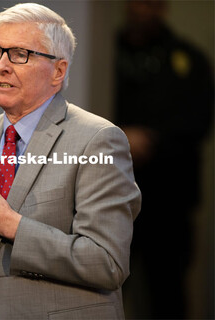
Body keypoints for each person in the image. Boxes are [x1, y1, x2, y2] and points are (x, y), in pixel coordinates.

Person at [0, 3, 141, 319]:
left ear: (58, 71)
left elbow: (107, 263)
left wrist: (11, 225)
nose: (1, 65)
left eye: (19, 54)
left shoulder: (99, 139)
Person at [114, 1, 214, 318]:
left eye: (154, 4)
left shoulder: (189, 59)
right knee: (101, 288)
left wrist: (151, 140)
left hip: (170, 197)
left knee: (168, 294)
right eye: (140, 2)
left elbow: (199, 121)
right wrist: (118, 138)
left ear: (164, 8)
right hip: (111, 193)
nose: (146, 11)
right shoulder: (102, 52)